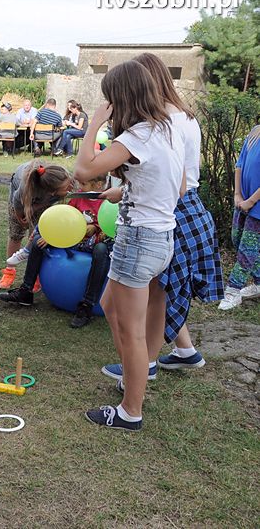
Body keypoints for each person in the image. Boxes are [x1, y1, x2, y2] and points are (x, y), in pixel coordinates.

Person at [74, 59, 186, 431]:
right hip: (159, 238)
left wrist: (93, 124)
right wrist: (126, 191)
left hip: (140, 241)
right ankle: (132, 381)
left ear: (122, 98)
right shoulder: (167, 128)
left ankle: (130, 411)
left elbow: (83, 170)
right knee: (110, 306)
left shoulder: (136, 135)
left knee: (133, 330)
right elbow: (177, 185)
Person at [102, 53, 223, 378]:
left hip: (171, 210)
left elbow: (174, 180)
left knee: (156, 294)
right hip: (183, 206)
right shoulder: (182, 114)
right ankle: (182, 350)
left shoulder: (164, 120)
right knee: (163, 290)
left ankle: (146, 365)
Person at [0, 174, 113, 328]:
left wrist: (96, 227)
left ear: (99, 185)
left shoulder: (108, 202)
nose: (80, 187)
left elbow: (110, 225)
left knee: (101, 250)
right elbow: (66, 219)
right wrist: (52, 235)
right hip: (73, 241)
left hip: (95, 244)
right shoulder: (78, 198)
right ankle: (26, 291)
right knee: (40, 239)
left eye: (84, 184)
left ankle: (87, 305)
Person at [0, 161, 74, 289]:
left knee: (37, 238)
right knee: (16, 234)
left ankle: (34, 275)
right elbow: (17, 200)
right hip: (20, 202)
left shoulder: (63, 179)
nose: (70, 188)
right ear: (52, 192)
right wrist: (20, 216)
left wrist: (36, 207)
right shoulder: (27, 185)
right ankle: (9, 271)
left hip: (41, 201)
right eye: (66, 188)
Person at [218, 124, 260, 310]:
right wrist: (237, 195)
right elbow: (239, 165)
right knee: (237, 241)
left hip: (256, 207)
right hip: (242, 202)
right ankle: (259, 282)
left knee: (247, 249)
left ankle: (233, 290)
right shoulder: (255, 132)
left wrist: (251, 201)